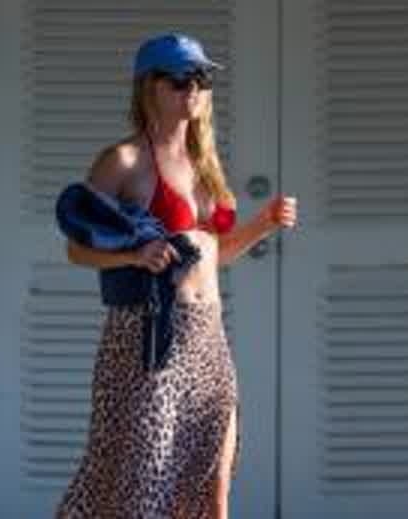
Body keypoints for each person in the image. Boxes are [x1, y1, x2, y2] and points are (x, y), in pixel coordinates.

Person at [54, 32, 297, 519]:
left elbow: (211, 255)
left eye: (202, 79)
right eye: (181, 79)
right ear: (150, 86)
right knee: (143, 486)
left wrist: (263, 225)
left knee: (212, 490)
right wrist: (133, 256)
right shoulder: (123, 162)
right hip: (149, 339)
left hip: (208, 338)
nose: (195, 89)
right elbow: (77, 249)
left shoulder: (204, 163)